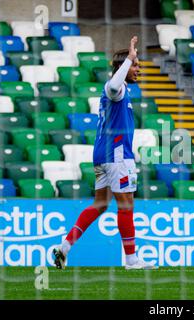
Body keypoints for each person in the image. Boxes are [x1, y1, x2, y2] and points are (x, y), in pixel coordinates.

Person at [53, 36, 157, 270]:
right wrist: (128, 59)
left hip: (102, 155)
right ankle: (131, 260)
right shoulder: (116, 88)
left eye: (138, 64)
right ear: (124, 67)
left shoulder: (123, 90)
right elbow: (112, 86)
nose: (138, 69)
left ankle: (65, 246)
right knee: (126, 204)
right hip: (117, 156)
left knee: (100, 203)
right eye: (135, 65)